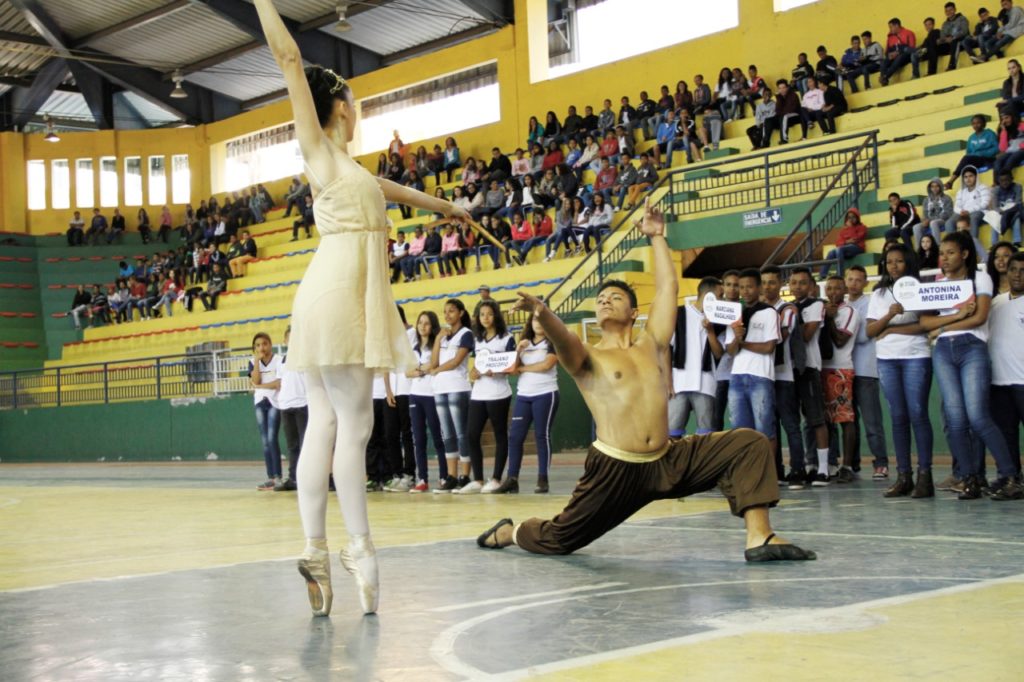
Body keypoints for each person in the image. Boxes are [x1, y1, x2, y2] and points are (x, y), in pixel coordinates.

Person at [255, 0, 468, 618]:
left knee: (326, 421)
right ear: (342, 106)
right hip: (339, 292)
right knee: (354, 426)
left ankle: (317, 551)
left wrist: (444, 207)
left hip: (331, 292)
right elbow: (289, 58)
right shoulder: (318, 149)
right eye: (356, 100)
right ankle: (360, 549)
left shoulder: (349, 170)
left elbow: (386, 189)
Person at [475, 200, 815, 562]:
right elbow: (563, 339)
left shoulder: (651, 344)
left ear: (634, 311)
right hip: (615, 469)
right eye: (601, 299)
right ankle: (511, 532)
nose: (605, 301)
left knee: (749, 443)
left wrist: (657, 237)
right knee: (560, 538)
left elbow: (667, 288)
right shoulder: (588, 358)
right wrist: (543, 313)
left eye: (615, 297)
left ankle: (760, 537)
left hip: (668, 459)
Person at [917, 232, 1015, 499]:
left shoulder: (979, 278)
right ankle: (970, 478)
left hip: (972, 347)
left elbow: (980, 317)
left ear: (965, 254)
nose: (944, 258)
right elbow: (924, 323)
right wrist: (958, 316)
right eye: (942, 253)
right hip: (943, 351)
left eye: (950, 253)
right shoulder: (937, 283)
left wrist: (942, 328)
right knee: (956, 419)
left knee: (978, 417)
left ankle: (1010, 476)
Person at [866, 244, 935, 497]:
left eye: (899, 261)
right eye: (889, 261)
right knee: (898, 417)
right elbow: (870, 331)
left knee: (918, 414)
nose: (893, 266)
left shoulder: (920, 289)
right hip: (887, 358)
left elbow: (926, 325)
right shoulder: (879, 293)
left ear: (909, 263)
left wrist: (893, 329)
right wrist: (889, 316)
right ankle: (904, 475)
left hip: (916, 355)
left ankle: (925, 476)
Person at [494, 311, 561, 495]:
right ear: (530, 322)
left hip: (546, 393)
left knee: (542, 435)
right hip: (524, 395)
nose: (538, 323)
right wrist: (518, 351)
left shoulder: (553, 342)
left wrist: (523, 368)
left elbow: (546, 365)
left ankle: (543, 479)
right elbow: (512, 369)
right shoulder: (524, 344)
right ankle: (512, 479)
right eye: (534, 320)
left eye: (541, 320)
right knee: (515, 437)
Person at [458, 301, 516, 495]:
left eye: (489, 314)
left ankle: (496, 478)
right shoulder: (477, 339)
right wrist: (473, 373)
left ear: (496, 315)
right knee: (472, 434)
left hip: (498, 393)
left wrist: (497, 371)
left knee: (500, 434)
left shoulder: (506, 338)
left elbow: (512, 366)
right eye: (482, 314)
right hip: (479, 393)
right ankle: (478, 479)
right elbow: (477, 366)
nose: (485, 318)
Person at [726, 270, 781, 460]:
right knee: (740, 432)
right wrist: (737, 338)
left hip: (761, 376)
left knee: (765, 430)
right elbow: (730, 351)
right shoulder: (735, 314)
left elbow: (769, 347)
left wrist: (742, 343)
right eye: (741, 287)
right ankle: (746, 471)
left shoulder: (769, 312)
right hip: (736, 377)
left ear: (759, 288)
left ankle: (768, 472)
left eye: (749, 286)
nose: (745, 291)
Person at [762, 266, 806, 488]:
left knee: (790, 425)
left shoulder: (787, 309)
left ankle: (798, 469)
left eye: (772, 282)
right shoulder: (758, 310)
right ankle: (776, 470)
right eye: (764, 283)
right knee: (770, 427)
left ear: (780, 284)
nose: (767, 287)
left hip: (783, 375)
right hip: (764, 376)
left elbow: (779, 336)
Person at [788, 267, 833, 486]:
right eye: (794, 282)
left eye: (803, 282)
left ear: (811, 286)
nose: (798, 287)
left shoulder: (816, 305)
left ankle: (823, 468)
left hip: (808, 367)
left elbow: (806, 335)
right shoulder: (787, 307)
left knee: (816, 418)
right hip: (788, 369)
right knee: (794, 421)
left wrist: (790, 323)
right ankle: (805, 465)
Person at [844, 266, 889, 478]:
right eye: (850, 279)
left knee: (872, 421)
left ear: (865, 283)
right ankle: (852, 465)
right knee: (849, 422)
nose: (853, 283)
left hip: (865, 371)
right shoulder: (842, 305)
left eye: (858, 280)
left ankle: (881, 462)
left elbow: (863, 336)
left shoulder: (870, 303)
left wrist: (843, 333)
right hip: (844, 370)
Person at [988, 252, 1024, 498]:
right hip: (999, 382)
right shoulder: (995, 303)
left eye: (1023, 270)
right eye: (1013, 269)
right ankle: (1012, 479)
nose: (1018, 275)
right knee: (1006, 434)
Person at [430, 299, 474, 493]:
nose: (447, 315)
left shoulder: (466, 334)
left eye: (452, 311)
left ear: (461, 313)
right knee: (447, 435)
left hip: (458, 387)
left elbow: (456, 361)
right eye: (445, 311)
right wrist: (438, 339)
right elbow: (433, 362)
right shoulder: (444, 336)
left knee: (461, 433)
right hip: (440, 388)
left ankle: (465, 475)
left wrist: (436, 370)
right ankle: (452, 476)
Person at [669, 277, 722, 439]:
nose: (722, 300)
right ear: (708, 296)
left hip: (706, 383)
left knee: (706, 435)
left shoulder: (719, 319)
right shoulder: (678, 314)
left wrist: (710, 331)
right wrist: (667, 381)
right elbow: (666, 349)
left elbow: (719, 353)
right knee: (672, 433)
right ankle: (675, 458)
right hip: (679, 383)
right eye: (720, 296)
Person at [820, 276, 860, 484]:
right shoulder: (822, 309)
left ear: (845, 290)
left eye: (837, 288)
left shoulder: (849, 312)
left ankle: (847, 465)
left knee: (844, 418)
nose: (833, 292)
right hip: (821, 368)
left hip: (841, 370)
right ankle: (829, 463)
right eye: (829, 288)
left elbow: (840, 341)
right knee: (825, 420)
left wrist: (829, 319)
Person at [406, 312, 450, 494]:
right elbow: (407, 372)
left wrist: (422, 368)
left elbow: (434, 364)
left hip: (432, 394)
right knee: (419, 439)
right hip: (415, 395)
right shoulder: (413, 346)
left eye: (427, 323)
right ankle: (422, 479)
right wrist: (420, 369)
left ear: (433, 326)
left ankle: (444, 476)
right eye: (420, 323)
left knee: (438, 437)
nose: (422, 326)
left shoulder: (436, 345)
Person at [276, 326, 308, 492]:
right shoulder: (281, 361)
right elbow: (281, 383)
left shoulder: (305, 359)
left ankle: (307, 478)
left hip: (302, 404)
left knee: (305, 444)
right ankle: (293, 478)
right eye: (289, 339)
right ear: (285, 341)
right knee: (292, 446)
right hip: (286, 406)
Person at [250, 332, 283, 491]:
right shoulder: (252, 362)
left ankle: (278, 477)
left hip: (274, 402)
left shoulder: (279, 360)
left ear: (270, 344)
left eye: (264, 344)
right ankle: (270, 478)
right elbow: (255, 380)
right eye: (258, 345)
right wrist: (257, 362)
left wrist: (260, 386)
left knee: (271, 438)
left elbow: (278, 384)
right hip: (260, 402)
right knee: (264, 441)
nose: (261, 347)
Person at [711, 270, 741, 431]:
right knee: (716, 417)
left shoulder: (746, 309)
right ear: (723, 287)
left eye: (736, 285)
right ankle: (718, 447)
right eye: (728, 284)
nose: (732, 288)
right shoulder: (713, 311)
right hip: (719, 372)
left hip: (741, 371)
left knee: (739, 417)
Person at [945, 116, 999, 189]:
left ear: (984, 124)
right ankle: (966, 190)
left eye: (978, 123)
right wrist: (974, 155)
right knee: (966, 166)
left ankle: (951, 181)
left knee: (966, 159)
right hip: (975, 160)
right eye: (973, 123)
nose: (976, 125)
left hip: (987, 158)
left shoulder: (990, 134)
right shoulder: (971, 137)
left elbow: (996, 148)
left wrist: (982, 153)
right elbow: (968, 152)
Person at [945, 166, 990, 243]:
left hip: (979, 212)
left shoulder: (982, 188)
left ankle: (973, 244)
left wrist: (969, 211)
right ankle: (954, 244)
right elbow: (956, 206)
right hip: (963, 212)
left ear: (976, 177)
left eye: (970, 176)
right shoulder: (961, 191)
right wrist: (961, 211)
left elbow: (985, 204)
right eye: (965, 177)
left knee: (974, 218)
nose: (968, 179)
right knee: (949, 222)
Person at [820, 208, 866, 279]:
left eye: (853, 217)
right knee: (831, 253)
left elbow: (855, 239)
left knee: (839, 249)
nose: (851, 219)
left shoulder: (862, 228)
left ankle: (840, 275)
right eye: (849, 217)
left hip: (857, 248)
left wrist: (851, 228)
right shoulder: (844, 230)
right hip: (845, 250)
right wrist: (846, 242)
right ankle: (822, 275)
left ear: (857, 218)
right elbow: (838, 242)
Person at [880, 17, 921, 85]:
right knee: (883, 62)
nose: (890, 29)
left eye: (891, 27)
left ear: (897, 25)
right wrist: (889, 55)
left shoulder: (909, 33)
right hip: (894, 57)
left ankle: (885, 76)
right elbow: (887, 52)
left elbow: (911, 48)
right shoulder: (890, 37)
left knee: (900, 57)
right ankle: (884, 81)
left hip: (905, 56)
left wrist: (898, 52)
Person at [990, 171, 1023, 246]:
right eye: (1002, 181)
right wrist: (1002, 212)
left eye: (1007, 180)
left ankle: (1017, 242)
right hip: (1001, 213)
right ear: (999, 181)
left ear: (1012, 179)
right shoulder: (995, 190)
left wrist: (1007, 212)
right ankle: (994, 243)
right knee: (994, 217)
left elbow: (1018, 203)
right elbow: (995, 207)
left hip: (1013, 212)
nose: (1004, 182)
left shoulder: (1017, 187)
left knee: (1016, 218)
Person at [921, 178, 954, 246]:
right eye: (932, 186)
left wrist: (930, 220)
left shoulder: (947, 198)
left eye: (937, 186)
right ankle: (920, 250)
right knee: (916, 227)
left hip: (943, 220)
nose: (934, 188)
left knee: (933, 223)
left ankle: (937, 246)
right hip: (929, 220)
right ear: (930, 188)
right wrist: (924, 220)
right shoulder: (926, 200)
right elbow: (925, 212)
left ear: (940, 187)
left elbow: (948, 213)